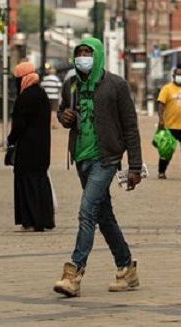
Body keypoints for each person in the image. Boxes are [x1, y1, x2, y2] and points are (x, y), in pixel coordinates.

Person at [53, 38, 143, 298]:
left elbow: (130, 127)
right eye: (79, 52)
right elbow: (62, 113)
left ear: (98, 55)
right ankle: (126, 268)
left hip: (106, 159)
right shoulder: (70, 85)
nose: (83, 56)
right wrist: (64, 118)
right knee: (104, 216)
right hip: (81, 158)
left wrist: (134, 166)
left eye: (88, 52)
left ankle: (73, 273)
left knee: (86, 212)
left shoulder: (116, 85)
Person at [8, 61, 55, 232]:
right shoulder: (41, 94)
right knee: (40, 181)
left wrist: (11, 139)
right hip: (42, 146)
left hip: (27, 147)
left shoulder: (25, 97)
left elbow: (19, 124)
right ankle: (44, 219)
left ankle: (30, 220)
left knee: (26, 182)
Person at [41, 64, 63, 129]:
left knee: (47, 111)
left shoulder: (45, 79)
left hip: (46, 97)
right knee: (54, 111)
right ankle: (53, 124)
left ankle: (47, 124)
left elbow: (41, 86)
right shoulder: (56, 79)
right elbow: (60, 87)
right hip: (54, 97)